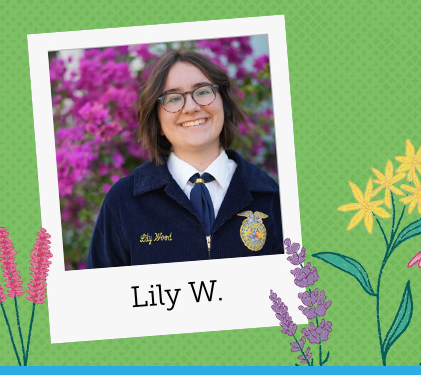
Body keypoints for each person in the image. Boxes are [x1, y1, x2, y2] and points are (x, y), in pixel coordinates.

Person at [87, 50, 283, 268]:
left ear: (224, 104)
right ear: (158, 122)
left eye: (203, 91)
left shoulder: (269, 195)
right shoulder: (123, 202)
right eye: (173, 98)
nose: (191, 107)